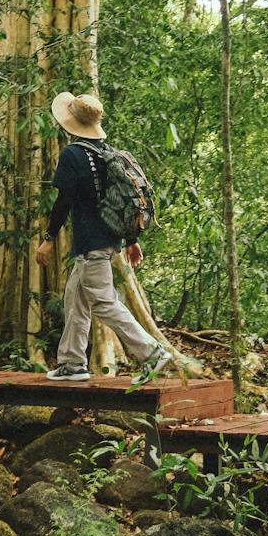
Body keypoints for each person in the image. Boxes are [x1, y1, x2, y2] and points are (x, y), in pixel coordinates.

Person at [36, 91, 170, 382]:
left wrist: (48, 238)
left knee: (104, 302)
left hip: (90, 244)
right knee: (76, 299)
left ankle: (151, 352)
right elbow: (120, 200)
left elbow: (64, 201)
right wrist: (132, 240)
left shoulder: (73, 154)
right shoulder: (107, 153)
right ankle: (72, 363)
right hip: (108, 241)